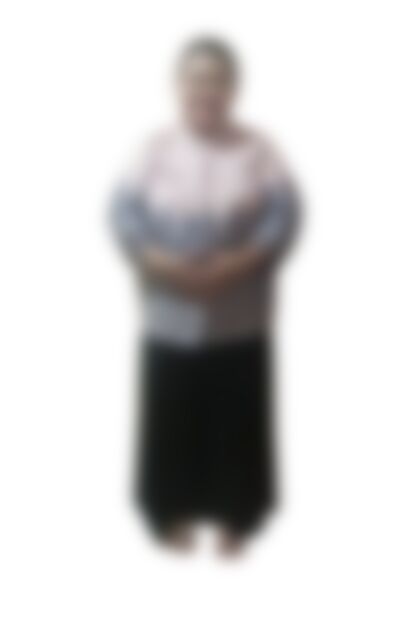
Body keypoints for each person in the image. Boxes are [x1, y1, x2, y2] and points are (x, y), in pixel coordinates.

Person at [111, 36, 299, 555]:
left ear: (234, 88)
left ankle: (238, 516)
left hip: (238, 310)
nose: (206, 89)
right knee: (172, 411)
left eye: (217, 79)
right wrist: (157, 261)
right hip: (171, 308)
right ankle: (168, 511)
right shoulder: (154, 148)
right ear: (178, 86)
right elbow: (123, 213)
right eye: (195, 78)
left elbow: (284, 214)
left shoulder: (259, 149)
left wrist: (239, 262)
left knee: (235, 411)